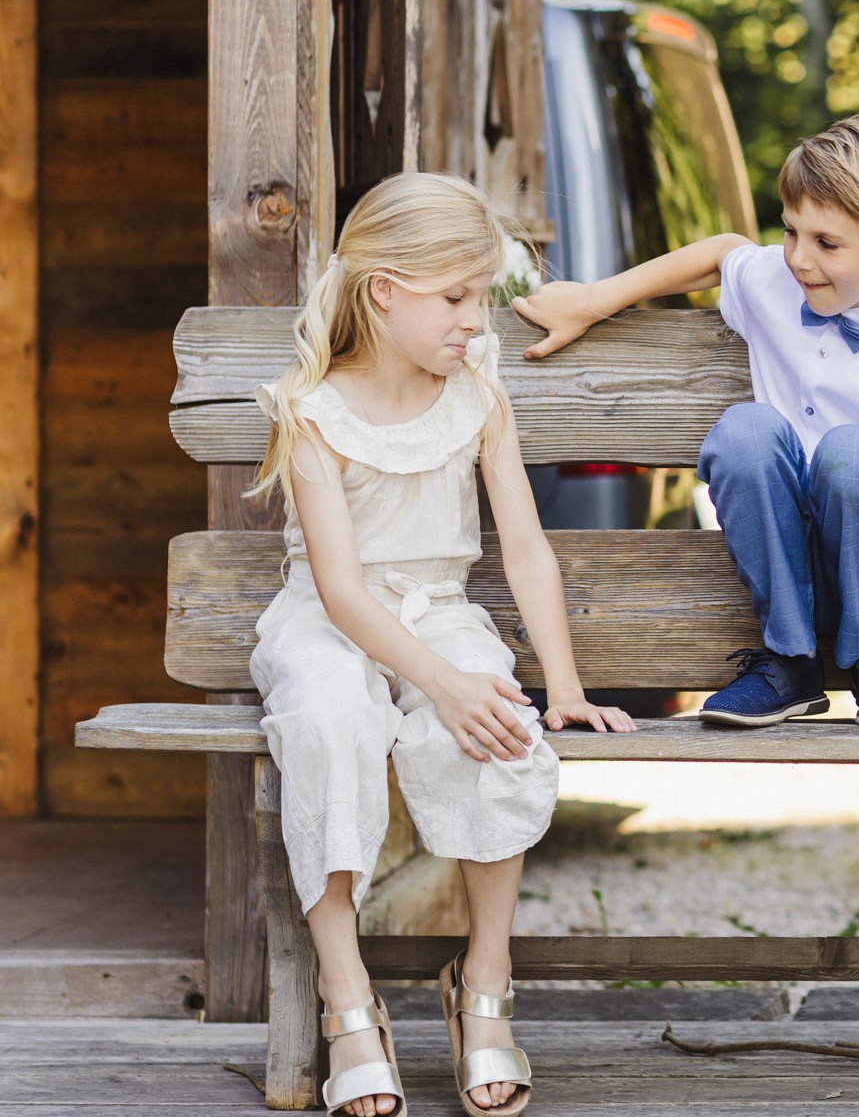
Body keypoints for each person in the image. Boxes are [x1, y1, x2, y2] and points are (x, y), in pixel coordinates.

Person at [250, 172, 636, 1117]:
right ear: (384, 291)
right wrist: (437, 682)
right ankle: (347, 1001)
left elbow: (527, 546)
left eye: (481, 295)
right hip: (330, 624)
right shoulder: (312, 413)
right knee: (332, 718)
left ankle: (485, 985)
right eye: (456, 297)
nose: (476, 318)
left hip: (441, 612)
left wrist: (562, 684)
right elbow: (340, 590)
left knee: (495, 723)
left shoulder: (478, 392)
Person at [515, 114, 859, 732]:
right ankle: (790, 660)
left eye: (827, 244)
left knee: (857, 453)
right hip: (790, 558)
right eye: (791, 232)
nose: (798, 259)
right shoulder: (777, 283)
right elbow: (721, 253)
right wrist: (592, 300)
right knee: (745, 432)